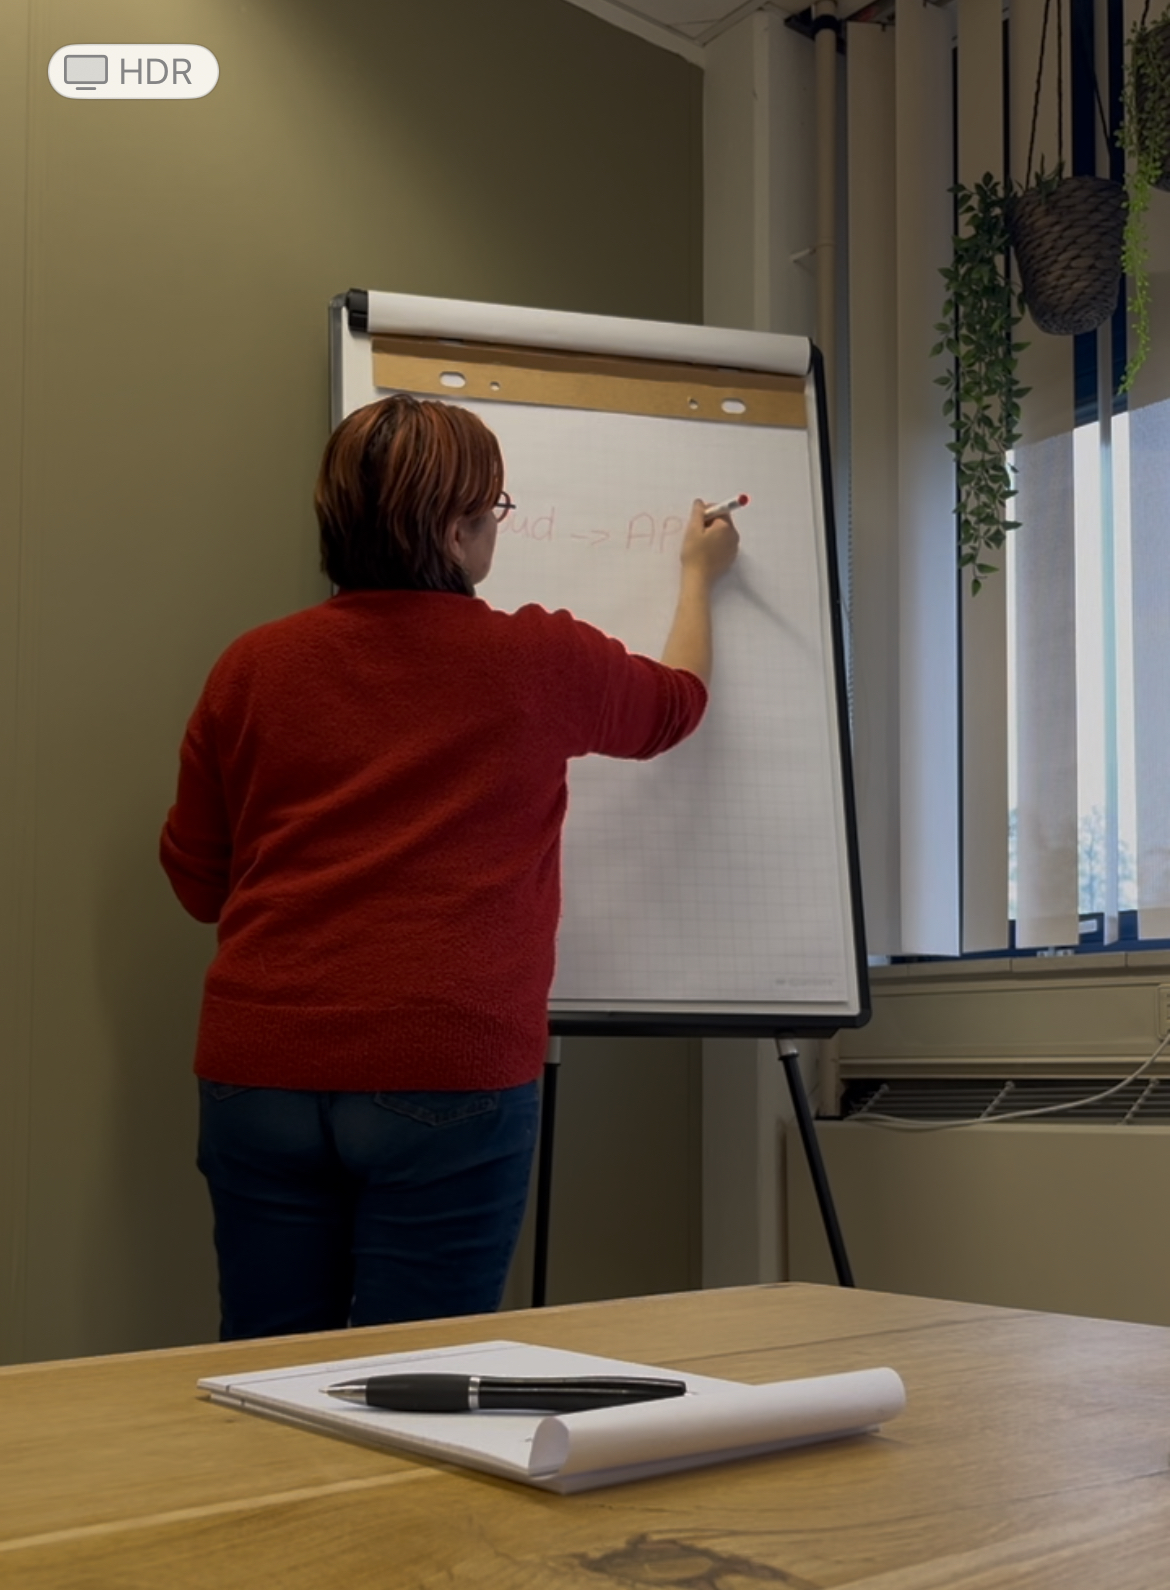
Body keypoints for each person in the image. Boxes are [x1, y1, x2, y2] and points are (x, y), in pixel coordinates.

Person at [160, 393, 739, 1340]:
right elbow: (676, 704)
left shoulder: (249, 668)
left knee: (268, 1376)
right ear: (458, 528)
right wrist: (697, 575)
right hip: (449, 1068)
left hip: (256, 1067)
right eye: (493, 513)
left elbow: (195, 882)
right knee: (413, 1391)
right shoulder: (535, 657)